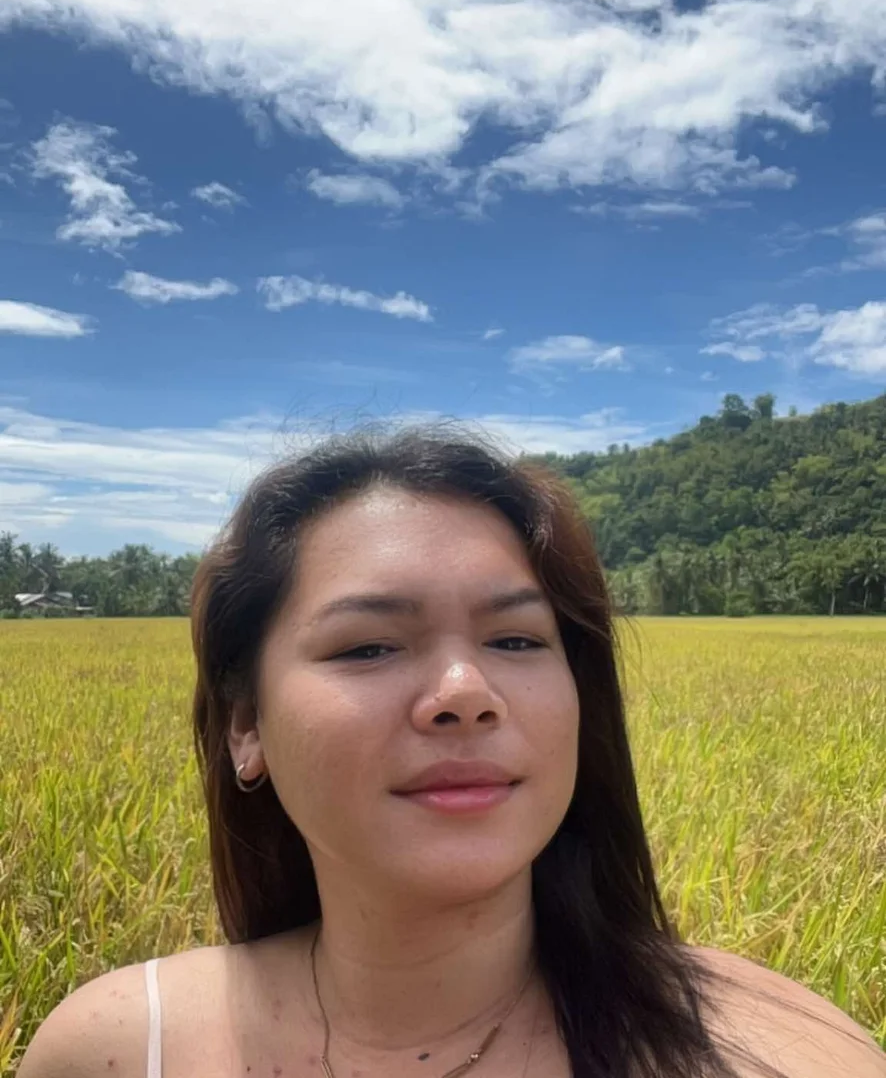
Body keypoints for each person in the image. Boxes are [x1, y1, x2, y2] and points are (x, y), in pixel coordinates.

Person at [19, 425, 885, 1078]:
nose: (466, 692)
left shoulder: (782, 1056)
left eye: (517, 640)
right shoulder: (116, 1051)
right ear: (247, 725)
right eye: (368, 646)